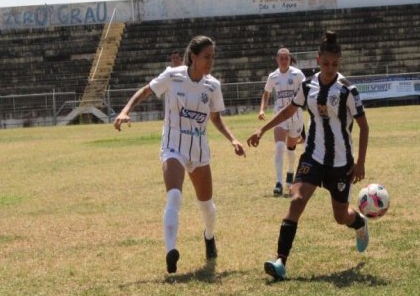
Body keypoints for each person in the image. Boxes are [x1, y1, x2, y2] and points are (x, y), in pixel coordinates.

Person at [114, 35, 246, 274]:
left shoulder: (213, 85)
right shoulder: (172, 76)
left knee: (207, 206)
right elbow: (145, 91)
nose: (210, 61)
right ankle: (171, 251)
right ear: (193, 56)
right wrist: (125, 111)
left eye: (213, 57)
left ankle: (209, 236)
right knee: (174, 196)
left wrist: (233, 139)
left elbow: (215, 118)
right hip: (173, 147)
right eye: (206, 57)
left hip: (199, 151)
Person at [247, 31, 370, 281]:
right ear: (317, 59)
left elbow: (364, 127)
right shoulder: (307, 86)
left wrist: (360, 163)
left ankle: (358, 223)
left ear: (340, 62)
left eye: (334, 64)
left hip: (340, 163)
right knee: (296, 201)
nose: (329, 68)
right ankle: (280, 261)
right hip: (313, 156)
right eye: (325, 63)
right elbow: (288, 110)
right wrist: (263, 129)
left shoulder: (348, 90)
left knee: (340, 216)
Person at [258, 48, 306, 196]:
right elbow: (266, 93)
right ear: (277, 59)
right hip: (279, 115)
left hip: (296, 116)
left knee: (291, 149)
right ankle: (278, 182)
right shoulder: (273, 76)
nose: (284, 60)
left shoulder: (298, 74)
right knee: (279, 146)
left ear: (290, 59)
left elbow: (307, 91)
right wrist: (262, 109)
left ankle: (290, 173)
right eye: (282, 58)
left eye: (287, 58)